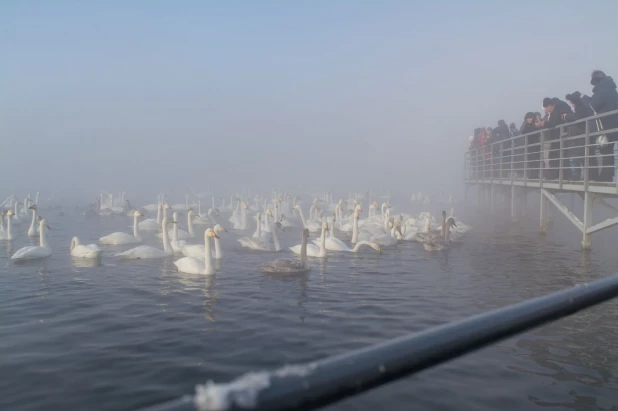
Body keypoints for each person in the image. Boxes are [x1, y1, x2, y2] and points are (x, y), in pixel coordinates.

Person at [589, 70, 618, 182]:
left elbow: (593, 105)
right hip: (614, 124)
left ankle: (605, 177)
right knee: (608, 151)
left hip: (605, 125)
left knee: (605, 151)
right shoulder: (612, 89)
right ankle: (608, 176)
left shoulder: (602, 89)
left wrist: (585, 99)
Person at [540, 97, 575, 179]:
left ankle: (556, 176)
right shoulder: (559, 108)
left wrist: (543, 124)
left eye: (546, 108)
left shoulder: (556, 110)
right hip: (560, 137)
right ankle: (564, 176)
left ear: (550, 106)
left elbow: (553, 123)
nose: (546, 110)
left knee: (556, 156)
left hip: (559, 137)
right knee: (561, 157)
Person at [565, 92, 596, 180]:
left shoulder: (581, 108)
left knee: (584, 158)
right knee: (585, 158)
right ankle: (587, 177)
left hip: (583, 136)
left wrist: (567, 116)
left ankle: (585, 177)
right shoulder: (584, 107)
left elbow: (578, 119)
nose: (572, 105)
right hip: (585, 136)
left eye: (572, 103)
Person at [521, 112, 540, 178]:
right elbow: (523, 132)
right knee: (530, 160)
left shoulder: (535, 125)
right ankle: (532, 174)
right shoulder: (526, 125)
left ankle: (535, 175)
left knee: (534, 160)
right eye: (528, 118)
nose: (530, 119)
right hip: (529, 145)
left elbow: (530, 131)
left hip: (535, 145)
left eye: (531, 118)